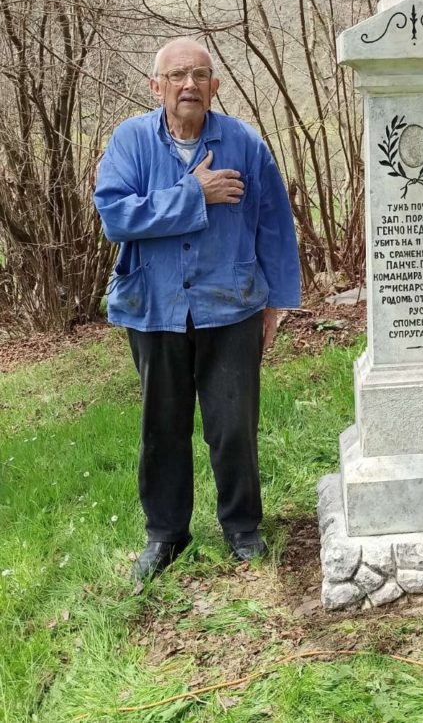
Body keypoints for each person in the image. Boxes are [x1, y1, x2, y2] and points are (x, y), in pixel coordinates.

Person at [94, 38, 300, 581]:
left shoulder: (245, 143)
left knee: (233, 423)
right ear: (156, 86)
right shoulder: (131, 142)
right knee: (162, 426)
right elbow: (115, 216)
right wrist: (194, 193)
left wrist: (277, 304)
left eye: (201, 75)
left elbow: (275, 224)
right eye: (178, 75)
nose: (190, 85)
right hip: (154, 306)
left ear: (215, 85)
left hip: (230, 306)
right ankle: (166, 535)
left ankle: (242, 526)